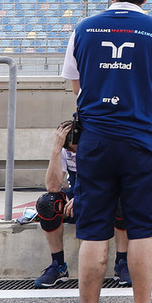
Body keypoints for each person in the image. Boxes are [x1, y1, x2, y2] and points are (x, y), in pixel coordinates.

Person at [61, 0, 152, 303]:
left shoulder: (83, 29)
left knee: (93, 230)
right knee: (142, 230)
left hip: (95, 141)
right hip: (142, 141)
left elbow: (76, 86)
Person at [34, 121, 131, 289]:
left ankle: (122, 262)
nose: (75, 153)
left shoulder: (102, 146)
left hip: (105, 194)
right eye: (71, 150)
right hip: (78, 195)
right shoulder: (65, 150)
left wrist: (84, 196)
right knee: (48, 203)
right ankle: (58, 265)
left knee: (123, 200)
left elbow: (116, 182)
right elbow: (52, 187)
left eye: (77, 148)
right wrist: (56, 149)